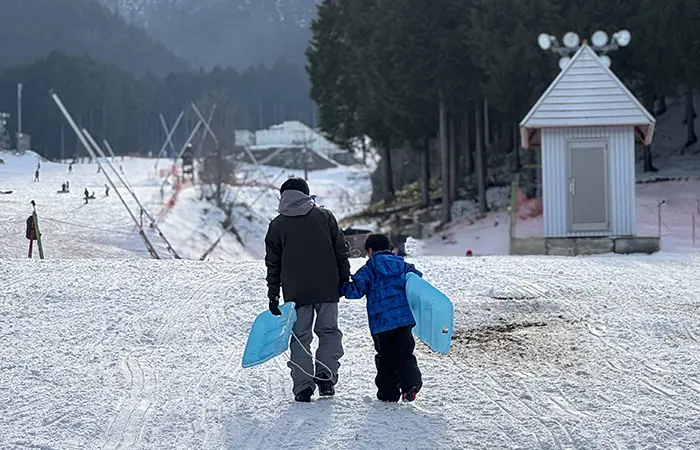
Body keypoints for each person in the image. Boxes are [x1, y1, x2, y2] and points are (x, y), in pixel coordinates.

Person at [264, 177, 350, 402]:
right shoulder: (325, 216)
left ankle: (303, 386)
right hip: (327, 288)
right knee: (329, 331)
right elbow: (340, 249)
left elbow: (273, 263)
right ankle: (326, 377)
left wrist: (273, 294)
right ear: (306, 194)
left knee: (300, 337)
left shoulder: (277, 225)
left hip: (296, 293)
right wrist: (344, 279)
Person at [341, 234, 423, 403]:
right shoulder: (403, 265)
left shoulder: (369, 269)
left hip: (381, 324)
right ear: (389, 247)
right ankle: (410, 385)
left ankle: (388, 393)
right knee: (404, 354)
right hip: (404, 321)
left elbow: (354, 292)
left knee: (385, 357)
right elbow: (417, 279)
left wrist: (342, 281)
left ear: (370, 251)